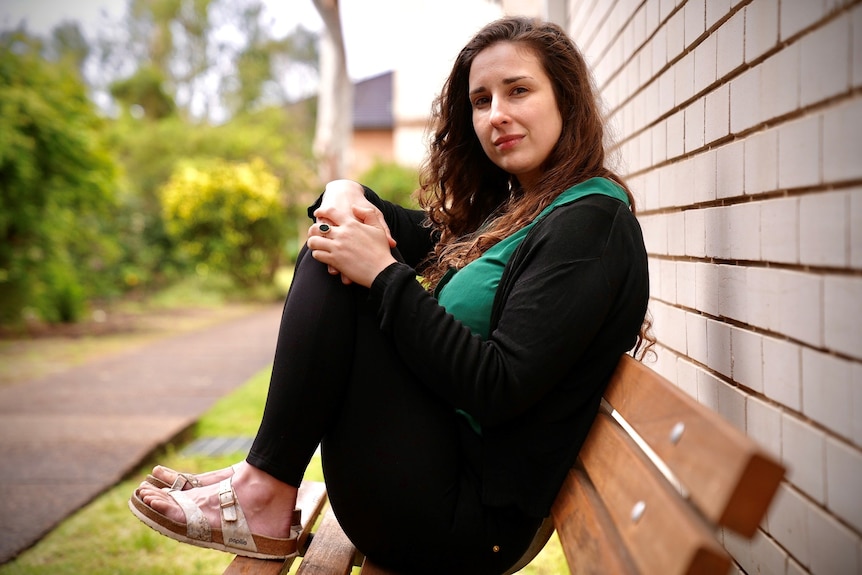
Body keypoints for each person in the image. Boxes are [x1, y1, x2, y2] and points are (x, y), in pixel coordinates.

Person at [130, 16, 651, 575]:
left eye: (518, 90)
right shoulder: (520, 210)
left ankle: (262, 487)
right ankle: (263, 483)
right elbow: (392, 221)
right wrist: (345, 190)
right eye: (480, 100)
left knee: (344, 261)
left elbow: (499, 386)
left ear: (565, 98)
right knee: (337, 240)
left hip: (463, 522)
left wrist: (382, 273)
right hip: (431, 482)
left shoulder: (589, 224)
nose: (496, 114)